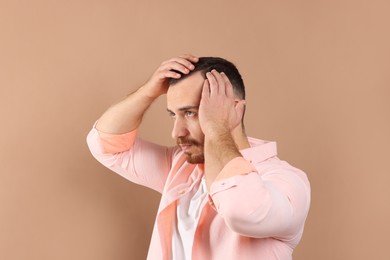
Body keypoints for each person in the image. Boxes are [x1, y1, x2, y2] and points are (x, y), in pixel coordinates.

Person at [86, 54, 311, 260]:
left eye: (191, 113)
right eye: (174, 115)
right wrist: (148, 91)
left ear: (235, 111)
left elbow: (240, 210)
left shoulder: (287, 181)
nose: (176, 132)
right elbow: (105, 144)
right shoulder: (180, 167)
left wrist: (216, 128)